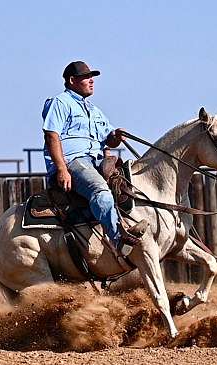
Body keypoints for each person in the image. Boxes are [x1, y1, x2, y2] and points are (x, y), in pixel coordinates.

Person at [42, 61, 147, 256]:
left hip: (96, 160)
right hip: (74, 161)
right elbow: (52, 136)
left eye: (92, 77)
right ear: (72, 81)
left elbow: (110, 139)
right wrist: (62, 169)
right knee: (100, 190)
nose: (91, 81)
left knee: (129, 183)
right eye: (86, 77)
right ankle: (118, 239)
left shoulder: (94, 110)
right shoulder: (61, 103)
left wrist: (116, 136)